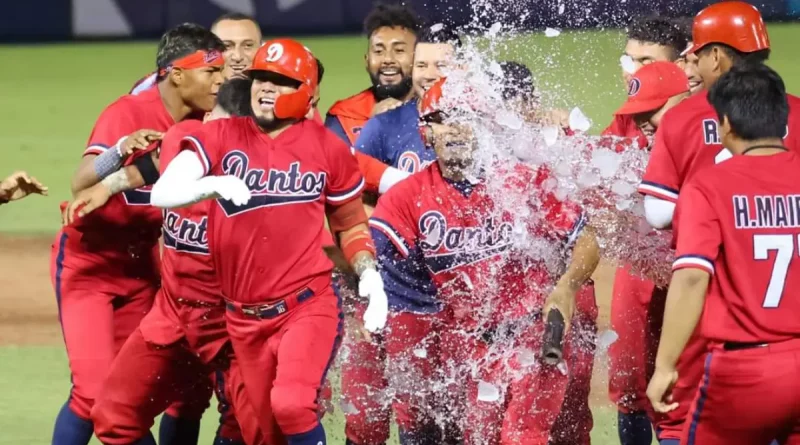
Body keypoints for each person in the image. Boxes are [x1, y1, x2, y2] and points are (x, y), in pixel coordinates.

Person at [149, 38, 389, 445]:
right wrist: (210, 184)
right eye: (261, 78)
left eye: (280, 81)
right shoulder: (222, 136)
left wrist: (370, 276)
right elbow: (163, 193)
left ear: (308, 93)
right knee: (265, 434)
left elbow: (349, 224)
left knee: (292, 405)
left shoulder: (328, 149)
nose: (265, 88)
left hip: (306, 306)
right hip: (243, 320)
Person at [370, 77, 601, 444]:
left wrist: (567, 286)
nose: (456, 127)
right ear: (426, 133)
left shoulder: (522, 181)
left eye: (467, 116)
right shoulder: (405, 199)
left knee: (524, 436)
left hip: (531, 337)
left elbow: (587, 237)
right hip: (470, 348)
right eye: (444, 118)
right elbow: (402, 289)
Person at [51, 23, 224, 445]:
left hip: (142, 269)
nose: (220, 81)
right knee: (93, 394)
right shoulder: (128, 111)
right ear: (176, 73)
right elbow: (80, 180)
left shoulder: (206, 124)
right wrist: (120, 150)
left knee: (130, 400)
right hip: (89, 265)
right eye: (211, 70)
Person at [638, 3, 800, 444]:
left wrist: (664, 363)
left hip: (724, 334)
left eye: (694, 55)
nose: (690, 63)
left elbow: (658, 218)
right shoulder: (795, 114)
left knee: (681, 417)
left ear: (714, 56)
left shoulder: (690, 130)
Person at [87, 78, 253, 445]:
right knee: (114, 417)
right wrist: (109, 185)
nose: (220, 138)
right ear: (208, 117)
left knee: (254, 429)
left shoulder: (257, 181)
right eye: (218, 125)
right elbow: (156, 166)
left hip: (233, 327)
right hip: (172, 317)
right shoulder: (183, 137)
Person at [602, 61, 691, 445]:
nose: (643, 122)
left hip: (698, 280)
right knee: (629, 382)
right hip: (650, 271)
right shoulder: (632, 141)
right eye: (637, 113)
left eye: (651, 110)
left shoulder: (713, 139)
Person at [325, 2, 422, 145]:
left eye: (399, 50)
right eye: (378, 51)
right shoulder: (344, 117)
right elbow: (335, 166)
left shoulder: (435, 112)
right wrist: (373, 129)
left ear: (418, 58)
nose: (388, 59)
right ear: (367, 60)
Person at [604, 16, 690, 147]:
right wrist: (566, 131)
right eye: (628, 61)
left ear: (678, 67)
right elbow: (594, 156)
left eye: (647, 62)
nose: (633, 72)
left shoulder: (702, 119)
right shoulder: (628, 116)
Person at [130, 13, 262, 94]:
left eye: (248, 46)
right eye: (227, 46)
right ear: (211, 50)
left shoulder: (273, 90)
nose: (238, 57)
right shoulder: (180, 86)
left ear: (261, 48)